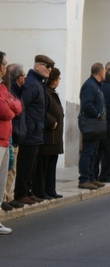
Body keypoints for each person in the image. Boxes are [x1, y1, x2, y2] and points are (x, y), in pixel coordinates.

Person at [14, 55, 54, 205]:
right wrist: (25, 127)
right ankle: (20, 193)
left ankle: (28, 191)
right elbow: (21, 105)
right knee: (25, 165)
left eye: (51, 67)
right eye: (47, 66)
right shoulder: (31, 83)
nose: (50, 69)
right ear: (37, 66)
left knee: (32, 166)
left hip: (36, 132)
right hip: (29, 132)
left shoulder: (38, 83)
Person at [32, 67, 64, 199]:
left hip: (55, 137)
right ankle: (41, 190)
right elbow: (41, 111)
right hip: (48, 136)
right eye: (59, 78)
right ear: (54, 80)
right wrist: (52, 122)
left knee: (51, 165)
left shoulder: (52, 92)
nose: (59, 81)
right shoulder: (46, 92)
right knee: (44, 165)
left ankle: (51, 190)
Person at [0, 51, 22, 234]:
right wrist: (10, 109)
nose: (5, 68)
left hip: (5, 141)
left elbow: (17, 105)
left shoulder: (2, 88)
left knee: (1, 184)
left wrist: (10, 108)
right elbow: (6, 112)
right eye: (4, 64)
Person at [78, 63, 106, 190]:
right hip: (90, 123)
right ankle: (84, 179)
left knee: (94, 151)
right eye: (104, 72)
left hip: (96, 124)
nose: (105, 74)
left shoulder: (97, 86)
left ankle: (91, 177)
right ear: (100, 73)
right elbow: (87, 104)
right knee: (88, 151)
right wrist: (98, 114)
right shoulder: (90, 85)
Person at [2, 64, 26, 209]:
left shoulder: (17, 91)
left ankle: (9, 196)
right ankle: (4, 197)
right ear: (18, 77)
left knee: (12, 168)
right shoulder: (8, 90)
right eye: (23, 75)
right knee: (7, 168)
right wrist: (13, 109)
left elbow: (17, 106)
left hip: (14, 134)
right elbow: (8, 111)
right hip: (10, 134)